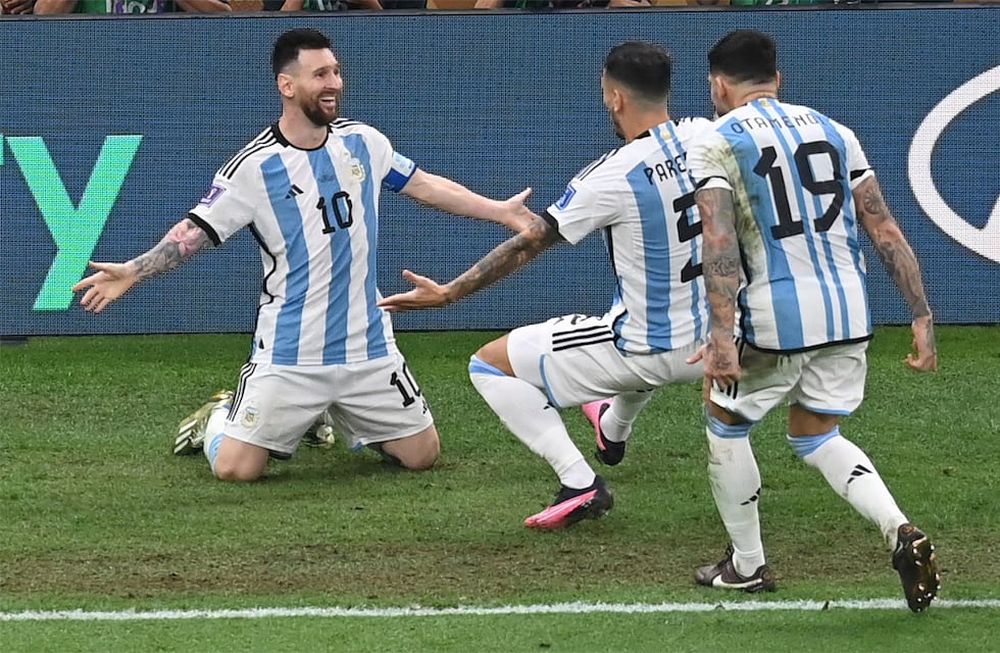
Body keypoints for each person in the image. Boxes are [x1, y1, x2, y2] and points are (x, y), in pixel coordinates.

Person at [73, 28, 533, 482]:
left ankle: (326, 415)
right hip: (290, 352)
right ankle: (218, 416)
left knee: (421, 455)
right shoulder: (253, 167)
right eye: (320, 74)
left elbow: (427, 186)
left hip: (367, 345)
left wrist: (499, 210)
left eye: (336, 71)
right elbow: (195, 234)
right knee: (236, 470)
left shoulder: (364, 142)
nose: (334, 83)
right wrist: (133, 270)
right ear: (287, 85)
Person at [379, 41, 710, 529]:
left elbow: (528, 245)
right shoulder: (707, 136)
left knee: (490, 365)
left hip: (649, 346)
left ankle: (580, 482)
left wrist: (449, 293)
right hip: (717, 342)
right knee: (627, 316)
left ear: (615, 97)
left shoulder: (610, 176)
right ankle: (612, 431)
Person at [686, 29, 939, 612]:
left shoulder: (715, 141)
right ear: (778, 79)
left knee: (724, 419)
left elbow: (719, 241)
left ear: (719, 85)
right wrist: (921, 315)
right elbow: (885, 229)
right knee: (814, 431)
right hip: (850, 313)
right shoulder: (835, 130)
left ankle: (747, 566)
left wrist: (721, 335)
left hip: (775, 315)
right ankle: (899, 529)